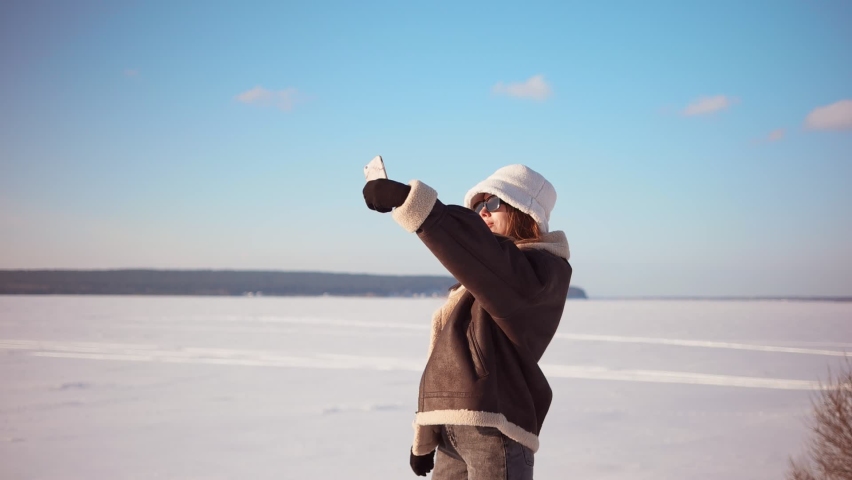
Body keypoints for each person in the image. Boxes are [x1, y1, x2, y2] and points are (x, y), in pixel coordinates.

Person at [362, 164, 572, 479]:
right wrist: (426, 436)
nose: (482, 213)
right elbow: (452, 364)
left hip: (494, 429)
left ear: (525, 211)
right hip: (454, 432)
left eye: (493, 203)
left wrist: (413, 202)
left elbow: (478, 250)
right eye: (476, 207)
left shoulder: (535, 274)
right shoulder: (491, 278)